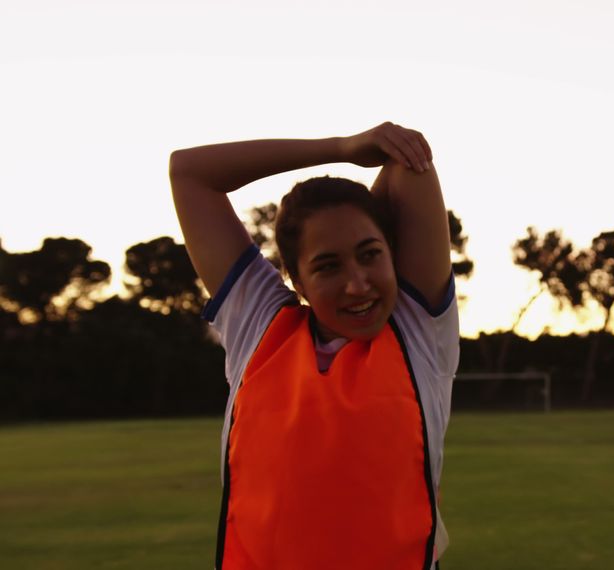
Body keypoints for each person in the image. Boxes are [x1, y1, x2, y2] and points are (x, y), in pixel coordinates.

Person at [169, 122, 459, 569]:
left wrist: (368, 163)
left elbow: (409, 166)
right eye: (327, 266)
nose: (357, 284)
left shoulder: (417, 331)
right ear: (297, 280)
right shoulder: (260, 324)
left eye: (370, 254)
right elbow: (189, 172)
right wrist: (340, 149)